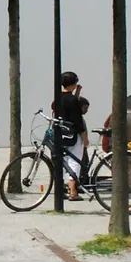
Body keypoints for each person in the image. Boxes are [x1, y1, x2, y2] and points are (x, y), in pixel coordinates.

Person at [53, 72, 86, 200]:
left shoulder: (58, 98)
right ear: (73, 84)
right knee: (75, 161)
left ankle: (61, 189)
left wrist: (77, 93)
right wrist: (84, 136)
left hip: (61, 134)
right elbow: (76, 117)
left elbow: (69, 106)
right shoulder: (72, 100)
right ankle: (73, 191)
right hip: (73, 134)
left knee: (63, 160)